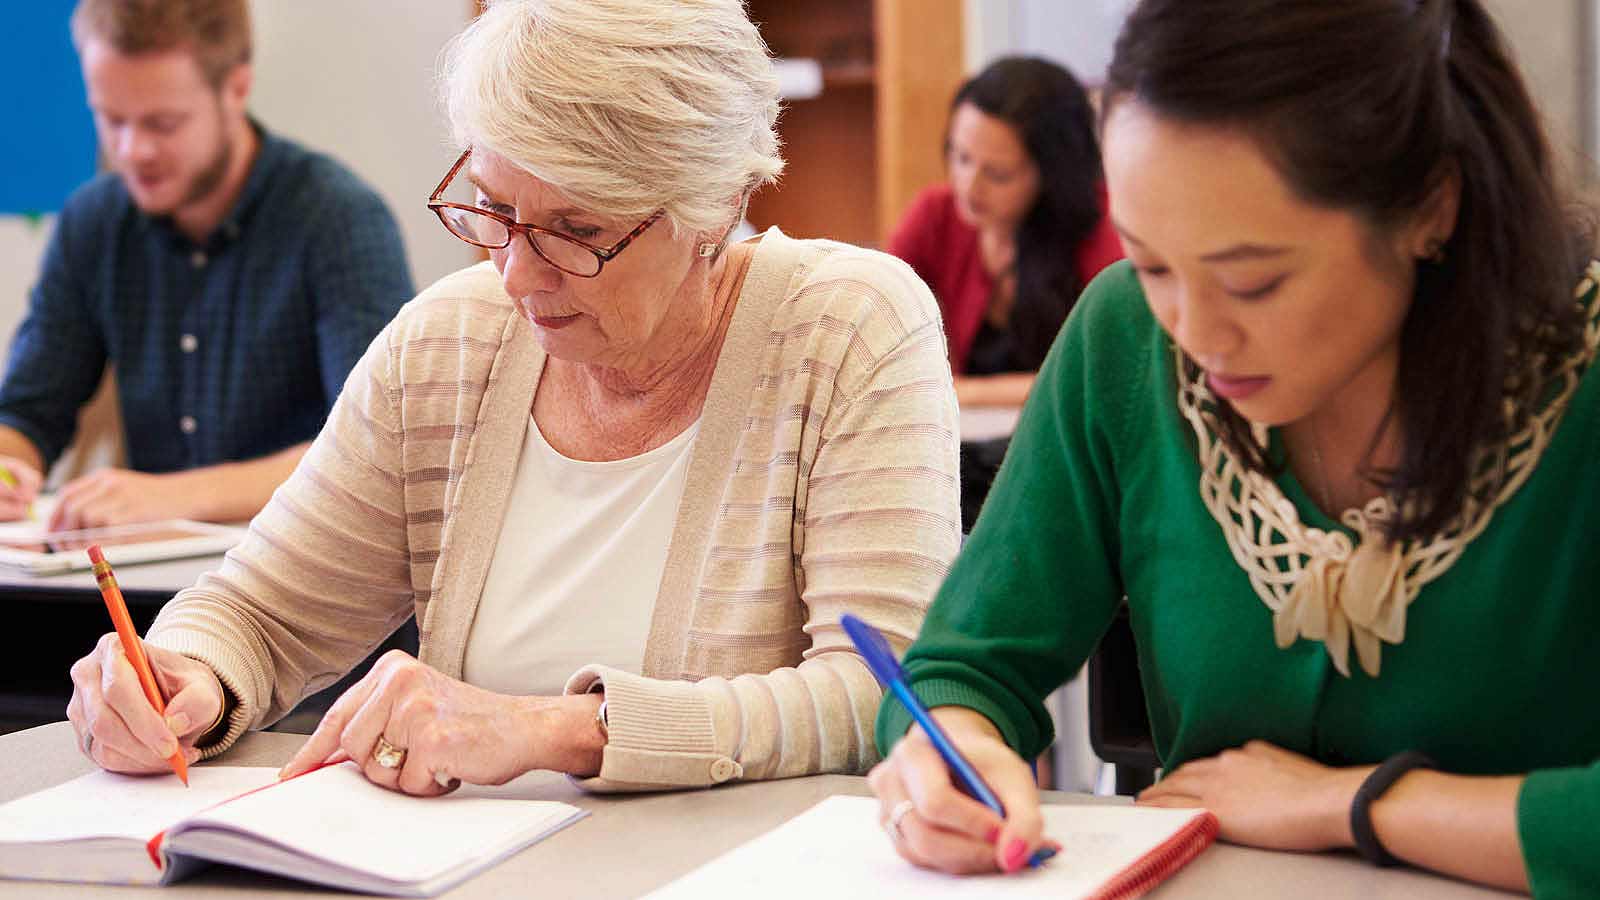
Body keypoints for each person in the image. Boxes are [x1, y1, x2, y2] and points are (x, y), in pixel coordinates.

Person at [67, 0, 959, 797]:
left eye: (577, 230)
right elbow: (261, 614)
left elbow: (883, 689)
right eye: (494, 209)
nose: (518, 274)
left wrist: (556, 731)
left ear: (713, 207)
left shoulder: (850, 328)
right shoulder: (449, 342)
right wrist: (184, 676)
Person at [867, 1, 1599, 895]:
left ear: (1428, 207)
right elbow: (969, 664)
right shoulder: (1125, 337)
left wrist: (1350, 804)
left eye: (1253, 280)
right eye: (1153, 264)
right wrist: (951, 756)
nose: (1197, 333)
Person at [0, 0, 412, 531]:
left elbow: (375, 451)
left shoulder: (337, 218)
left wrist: (175, 496)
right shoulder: (94, 221)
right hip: (151, 585)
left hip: (306, 582)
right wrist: (10, 468)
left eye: (163, 124)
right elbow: (28, 411)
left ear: (237, 89)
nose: (133, 150)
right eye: (112, 118)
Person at [886, 57, 1121, 528]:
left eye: (998, 174)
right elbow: (877, 328)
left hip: (1068, 474)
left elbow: (1106, 376)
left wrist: (969, 391)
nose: (968, 186)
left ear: (1049, 174)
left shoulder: (1102, 227)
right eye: (960, 156)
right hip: (954, 462)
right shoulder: (935, 215)